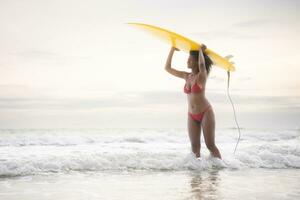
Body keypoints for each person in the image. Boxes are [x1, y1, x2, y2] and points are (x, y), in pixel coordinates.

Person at [164, 45, 222, 159]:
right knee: (195, 147)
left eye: (190, 59)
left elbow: (202, 65)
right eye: (188, 58)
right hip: (192, 115)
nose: (187, 60)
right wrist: (172, 50)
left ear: (196, 62)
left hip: (206, 112)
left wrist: (201, 51)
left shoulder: (202, 76)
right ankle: (196, 175)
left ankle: (218, 170)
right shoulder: (187, 76)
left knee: (210, 145)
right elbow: (168, 68)